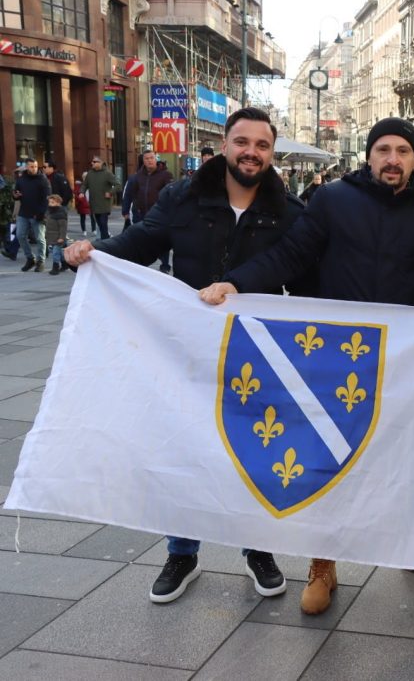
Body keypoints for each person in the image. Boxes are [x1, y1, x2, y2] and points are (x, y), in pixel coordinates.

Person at [196, 117, 414, 616]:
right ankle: (322, 564)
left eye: (402, 151)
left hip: (397, 358)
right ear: (369, 156)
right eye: (383, 150)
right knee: (328, 459)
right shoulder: (333, 200)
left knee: (402, 455)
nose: (392, 159)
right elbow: (290, 256)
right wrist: (236, 283)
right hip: (332, 356)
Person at [64, 107, 310, 605]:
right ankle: (182, 553)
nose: (251, 153)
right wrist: (93, 253)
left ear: (271, 152)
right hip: (184, 348)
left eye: (262, 145)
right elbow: (141, 242)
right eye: (242, 142)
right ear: (225, 145)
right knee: (181, 447)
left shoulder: (289, 211)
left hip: (253, 353)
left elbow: (300, 270)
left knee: (254, 452)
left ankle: (258, 549)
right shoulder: (184, 196)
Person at [123, 151, 174, 273]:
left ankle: (165, 266)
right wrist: (125, 211)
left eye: (151, 158)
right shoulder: (136, 176)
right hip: (140, 214)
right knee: (141, 241)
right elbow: (128, 194)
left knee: (162, 240)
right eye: (146, 158)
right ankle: (141, 266)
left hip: (159, 214)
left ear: (156, 159)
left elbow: (172, 194)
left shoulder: (166, 175)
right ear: (143, 161)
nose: (149, 160)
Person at [14, 158, 51, 272]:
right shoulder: (21, 179)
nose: (34, 168)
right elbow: (16, 193)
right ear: (26, 167)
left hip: (38, 213)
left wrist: (42, 213)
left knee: (40, 238)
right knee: (20, 235)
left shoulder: (42, 179)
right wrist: (15, 195)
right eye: (31, 166)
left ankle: (40, 261)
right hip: (24, 212)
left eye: (35, 166)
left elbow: (47, 198)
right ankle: (30, 258)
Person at [82, 157, 120, 239]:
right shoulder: (90, 173)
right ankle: (105, 239)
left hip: (104, 204)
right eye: (92, 161)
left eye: (95, 161)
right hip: (94, 203)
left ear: (101, 163)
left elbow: (118, 185)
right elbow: (84, 185)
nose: (92, 163)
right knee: (100, 225)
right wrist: (82, 192)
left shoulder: (107, 173)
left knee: (103, 224)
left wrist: (110, 192)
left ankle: (105, 240)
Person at [43, 193, 68, 275]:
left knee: (55, 253)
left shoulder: (61, 214)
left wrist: (62, 237)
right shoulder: (49, 212)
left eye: (52, 202)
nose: (50, 204)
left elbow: (63, 227)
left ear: (58, 203)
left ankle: (55, 268)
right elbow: (47, 223)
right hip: (51, 236)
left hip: (58, 237)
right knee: (58, 252)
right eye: (49, 202)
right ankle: (64, 264)